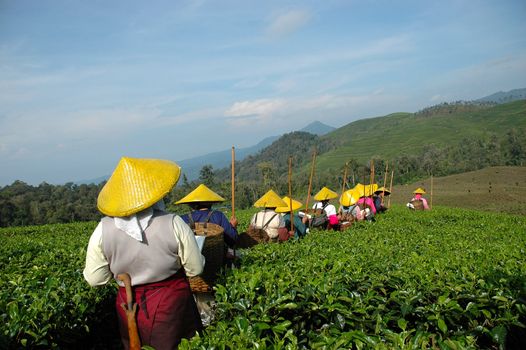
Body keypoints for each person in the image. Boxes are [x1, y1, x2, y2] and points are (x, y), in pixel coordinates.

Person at [83, 157, 205, 349]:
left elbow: (95, 279)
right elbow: (195, 269)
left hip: (129, 305)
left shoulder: (102, 229)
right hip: (171, 302)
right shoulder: (173, 222)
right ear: (153, 195)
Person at [176, 184, 238, 255]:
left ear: (192, 204)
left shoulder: (182, 219)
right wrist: (233, 227)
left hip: (190, 258)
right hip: (216, 258)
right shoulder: (218, 216)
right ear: (211, 202)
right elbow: (232, 239)